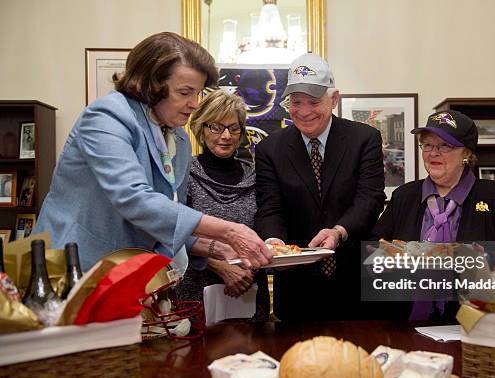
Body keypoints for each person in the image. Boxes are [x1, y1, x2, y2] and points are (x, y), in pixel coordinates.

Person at [33, 32, 272, 272]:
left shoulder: (178, 137)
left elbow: (163, 219)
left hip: (125, 273)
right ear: (151, 85)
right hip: (73, 267)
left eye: (197, 93)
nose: (195, 104)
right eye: (184, 92)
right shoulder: (107, 116)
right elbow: (134, 199)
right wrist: (230, 231)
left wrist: (217, 248)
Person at [255, 53, 386, 320]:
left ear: (334, 99)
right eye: (296, 102)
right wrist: (274, 244)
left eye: (313, 102)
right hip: (296, 286)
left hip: (355, 280)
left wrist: (339, 231)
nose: (303, 112)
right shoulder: (270, 148)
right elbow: (270, 207)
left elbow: (370, 199)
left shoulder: (364, 139)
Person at [372, 110, 495, 321]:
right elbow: (375, 248)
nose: (433, 153)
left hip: (478, 322)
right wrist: (387, 261)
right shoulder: (405, 196)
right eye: (427, 145)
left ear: (467, 153)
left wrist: (481, 264)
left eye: (444, 146)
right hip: (408, 323)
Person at [175, 89, 269, 321]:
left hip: (249, 289)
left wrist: (250, 268)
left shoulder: (257, 177)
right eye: (216, 127)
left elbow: (265, 230)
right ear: (201, 129)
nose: (226, 135)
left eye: (233, 127)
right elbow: (173, 232)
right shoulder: (184, 174)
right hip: (196, 294)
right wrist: (220, 266)